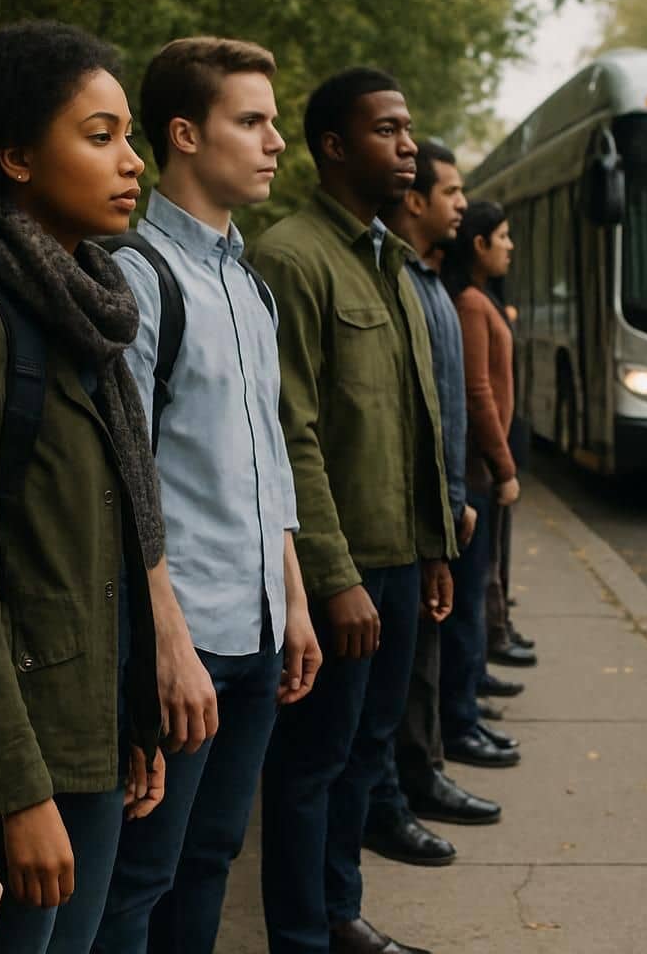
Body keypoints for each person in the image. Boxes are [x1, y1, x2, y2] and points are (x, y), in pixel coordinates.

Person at [0, 21, 167, 954]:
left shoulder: (83, 305)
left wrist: (133, 709)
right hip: (22, 756)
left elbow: (104, 545)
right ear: (16, 157)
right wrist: (17, 792)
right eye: (100, 136)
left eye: (128, 136)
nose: (132, 162)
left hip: (88, 731)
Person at [93, 35, 323, 954]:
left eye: (273, 121)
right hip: (182, 640)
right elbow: (125, 478)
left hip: (257, 628)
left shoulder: (251, 286)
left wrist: (293, 601)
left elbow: (268, 457)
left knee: (212, 858)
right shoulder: (136, 276)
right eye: (252, 121)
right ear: (185, 134)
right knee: (138, 880)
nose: (276, 141)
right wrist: (166, 644)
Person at [251, 67, 456, 954]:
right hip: (345, 568)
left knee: (367, 752)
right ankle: (305, 935)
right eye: (387, 130)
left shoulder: (389, 260)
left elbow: (414, 418)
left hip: (402, 558)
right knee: (312, 764)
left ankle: (342, 917)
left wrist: (435, 545)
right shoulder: (291, 258)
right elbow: (290, 429)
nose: (408, 145)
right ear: (334, 146)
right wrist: (333, 579)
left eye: (408, 129)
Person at [363, 140, 512, 867]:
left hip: (438, 507)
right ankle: (400, 791)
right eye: (451, 192)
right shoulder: (401, 280)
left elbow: (443, 402)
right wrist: (453, 494)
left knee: (419, 661)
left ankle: (416, 776)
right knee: (404, 674)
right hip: (406, 518)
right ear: (415, 200)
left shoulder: (426, 283)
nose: (462, 204)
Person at [439, 201, 524, 762]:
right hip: (473, 473)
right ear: (478, 245)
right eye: (503, 236)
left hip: (478, 472)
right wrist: (504, 466)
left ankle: (468, 697)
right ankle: (460, 720)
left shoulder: (480, 299)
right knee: (467, 599)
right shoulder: (470, 304)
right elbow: (477, 392)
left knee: (475, 591)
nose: (510, 246)